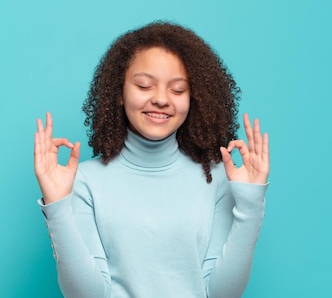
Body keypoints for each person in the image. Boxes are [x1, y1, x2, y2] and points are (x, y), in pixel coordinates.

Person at [34, 21, 270, 298]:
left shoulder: (217, 178)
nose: (161, 99)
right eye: (144, 85)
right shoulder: (85, 180)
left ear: (194, 99)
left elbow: (221, 294)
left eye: (178, 90)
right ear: (119, 93)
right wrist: (57, 206)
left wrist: (251, 204)